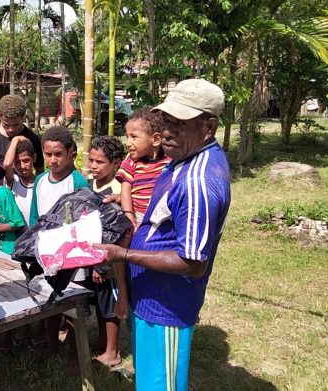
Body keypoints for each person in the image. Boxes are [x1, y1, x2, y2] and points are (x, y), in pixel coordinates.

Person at [93, 78, 231, 390]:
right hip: (150, 295)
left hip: (165, 305)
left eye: (179, 123)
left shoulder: (198, 181)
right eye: (166, 120)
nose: (167, 131)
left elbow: (192, 262)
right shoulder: (182, 159)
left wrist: (124, 254)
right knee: (151, 380)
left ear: (208, 127)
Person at [28, 126, 90, 352]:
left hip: (73, 256)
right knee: (49, 298)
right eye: (48, 154)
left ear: (71, 152)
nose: (53, 160)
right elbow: (35, 216)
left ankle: (75, 350)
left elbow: (86, 221)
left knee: (73, 302)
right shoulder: (41, 181)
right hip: (47, 253)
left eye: (58, 154)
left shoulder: (78, 182)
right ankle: (51, 342)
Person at [86, 135, 126, 367]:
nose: (93, 166)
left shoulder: (120, 189)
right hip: (93, 255)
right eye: (91, 160)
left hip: (110, 259)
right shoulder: (90, 184)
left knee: (111, 305)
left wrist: (103, 264)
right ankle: (102, 340)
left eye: (99, 162)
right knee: (101, 302)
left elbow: (118, 230)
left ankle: (112, 351)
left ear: (116, 163)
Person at [115, 108, 172, 230]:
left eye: (134, 137)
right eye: (127, 137)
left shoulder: (170, 161)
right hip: (137, 216)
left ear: (156, 139)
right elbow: (125, 189)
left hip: (163, 218)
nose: (128, 143)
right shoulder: (131, 161)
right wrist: (129, 214)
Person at [0, 94, 44, 174]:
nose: (11, 129)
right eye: (6, 124)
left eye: (16, 125)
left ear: (22, 118)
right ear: (0, 117)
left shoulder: (32, 139)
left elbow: (40, 169)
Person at [2, 136, 37, 227]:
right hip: (19, 237)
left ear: (34, 158)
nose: (22, 166)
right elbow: (6, 164)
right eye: (17, 162)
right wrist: (15, 140)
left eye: (26, 160)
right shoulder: (13, 181)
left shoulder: (41, 182)